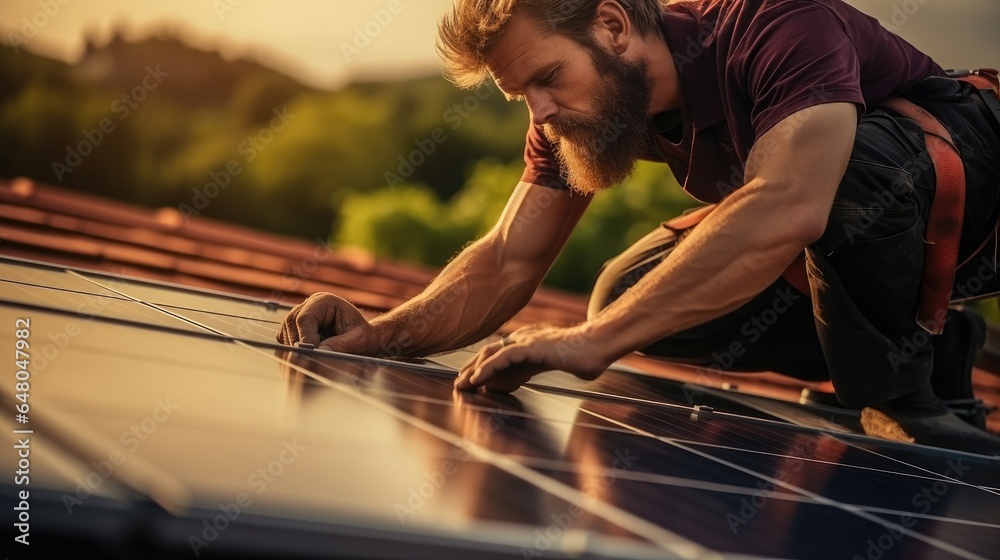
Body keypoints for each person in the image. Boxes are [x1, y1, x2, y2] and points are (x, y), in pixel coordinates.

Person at [278, 0, 1000, 454]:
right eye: (519, 94)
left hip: (976, 186)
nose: (538, 110)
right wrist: (380, 334)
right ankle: (926, 343)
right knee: (629, 295)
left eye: (547, 78)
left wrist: (592, 345)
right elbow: (506, 261)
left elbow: (790, 202)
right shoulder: (579, 118)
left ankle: (902, 394)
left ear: (614, 25)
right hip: (885, 235)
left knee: (841, 168)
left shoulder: (777, 26)